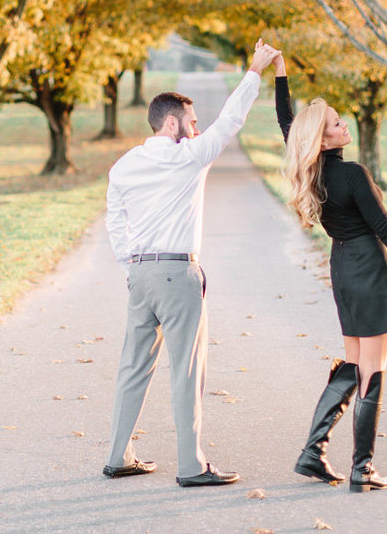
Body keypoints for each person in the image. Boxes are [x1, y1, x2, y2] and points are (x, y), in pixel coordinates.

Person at [102, 40, 281, 487]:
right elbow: (232, 119)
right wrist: (255, 69)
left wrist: (130, 268)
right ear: (171, 122)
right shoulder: (189, 157)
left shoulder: (124, 166)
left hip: (140, 275)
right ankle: (191, 465)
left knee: (132, 366)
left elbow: (114, 222)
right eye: (192, 122)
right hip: (178, 274)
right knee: (186, 371)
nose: (199, 130)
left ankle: (118, 455)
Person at [274, 55, 387, 492]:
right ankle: (363, 468)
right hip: (368, 267)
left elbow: (290, 127)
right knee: (372, 370)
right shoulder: (352, 175)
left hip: (343, 269)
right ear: (323, 141)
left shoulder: (314, 172)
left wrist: (280, 73)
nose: (344, 125)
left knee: (353, 364)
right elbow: (385, 228)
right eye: (335, 124)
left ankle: (313, 453)